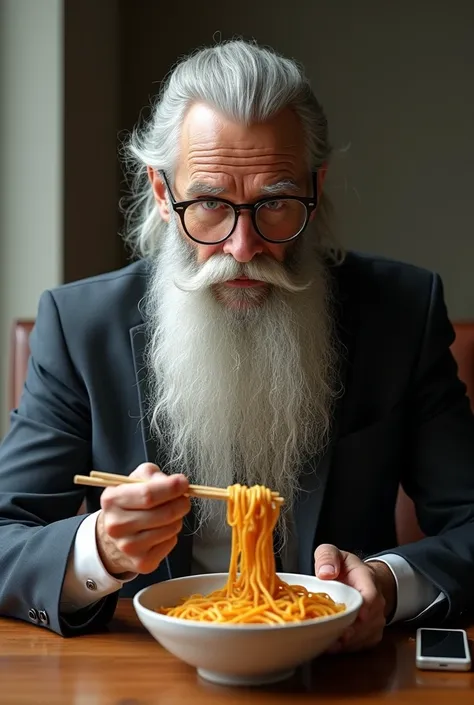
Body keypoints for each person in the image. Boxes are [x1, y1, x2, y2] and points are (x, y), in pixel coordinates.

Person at [0, 39, 473, 650]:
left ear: (316, 185)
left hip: (334, 670)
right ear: (162, 194)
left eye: (275, 203)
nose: (242, 247)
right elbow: (6, 537)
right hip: (145, 671)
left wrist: (386, 582)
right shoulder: (79, 325)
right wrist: (102, 550)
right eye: (209, 204)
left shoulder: (401, 314)